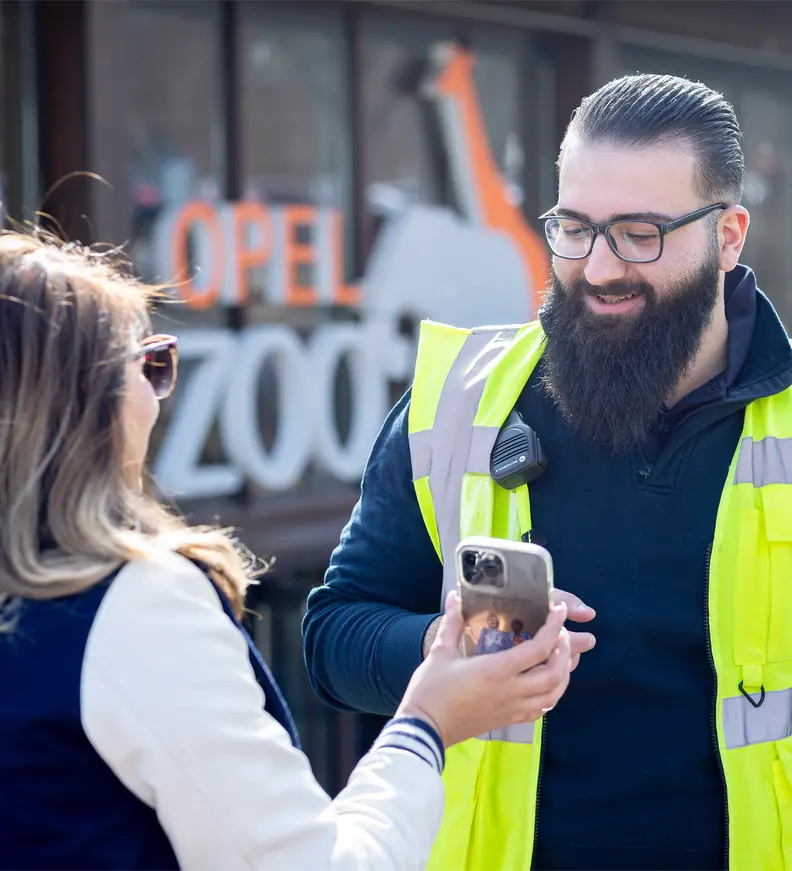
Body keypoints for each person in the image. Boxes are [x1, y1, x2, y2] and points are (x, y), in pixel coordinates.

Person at [303, 72, 792, 871]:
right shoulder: (455, 402)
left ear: (729, 234)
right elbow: (333, 634)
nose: (598, 269)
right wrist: (440, 644)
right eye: (574, 227)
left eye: (641, 233)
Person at [0, 231, 576, 870]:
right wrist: (427, 725)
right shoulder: (131, 609)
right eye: (148, 364)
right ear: (78, 407)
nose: (156, 400)